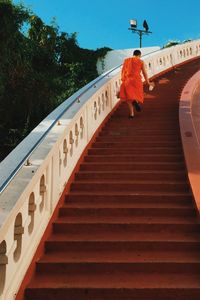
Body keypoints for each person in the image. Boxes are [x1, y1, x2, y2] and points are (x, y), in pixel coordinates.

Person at [119, 49, 151, 118]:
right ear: (139, 55)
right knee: (135, 95)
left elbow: (123, 71)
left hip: (128, 80)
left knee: (128, 97)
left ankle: (131, 114)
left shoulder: (126, 60)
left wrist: (123, 80)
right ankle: (135, 102)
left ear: (133, 54)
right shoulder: (141, 61)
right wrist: (148, 82)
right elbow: (144, 73)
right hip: (137, 81)